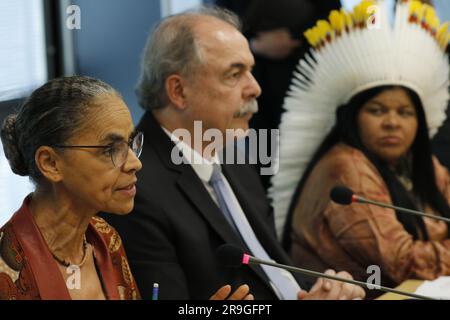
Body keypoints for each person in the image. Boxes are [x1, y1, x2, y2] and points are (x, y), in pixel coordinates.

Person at [104, 7, 365, 300]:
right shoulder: (134, 186)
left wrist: (326, 287)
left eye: (250, 71)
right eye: (234, 74)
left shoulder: (235, 159)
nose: (254, 88)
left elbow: (273, 270)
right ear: (178, 91)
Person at [270, 0, 450, 297]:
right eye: (378, 111)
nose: (392, 123)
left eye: (405, 113)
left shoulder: (414, 161)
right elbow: (402, 262)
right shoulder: (346, 166)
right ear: (354, 119)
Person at [0, 76, 144, 300]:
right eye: (110, 149)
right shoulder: (5, 270)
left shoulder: (107, 239)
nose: (135, 163)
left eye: (131, 143)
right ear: (50, 163)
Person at [213, 0, 341, 189]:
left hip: (308, 75)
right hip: (255, 79)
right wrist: (252, 45)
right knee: (265, 163)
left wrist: (295, 37)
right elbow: (218, 23)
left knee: (312, 161)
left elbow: (332, 17)